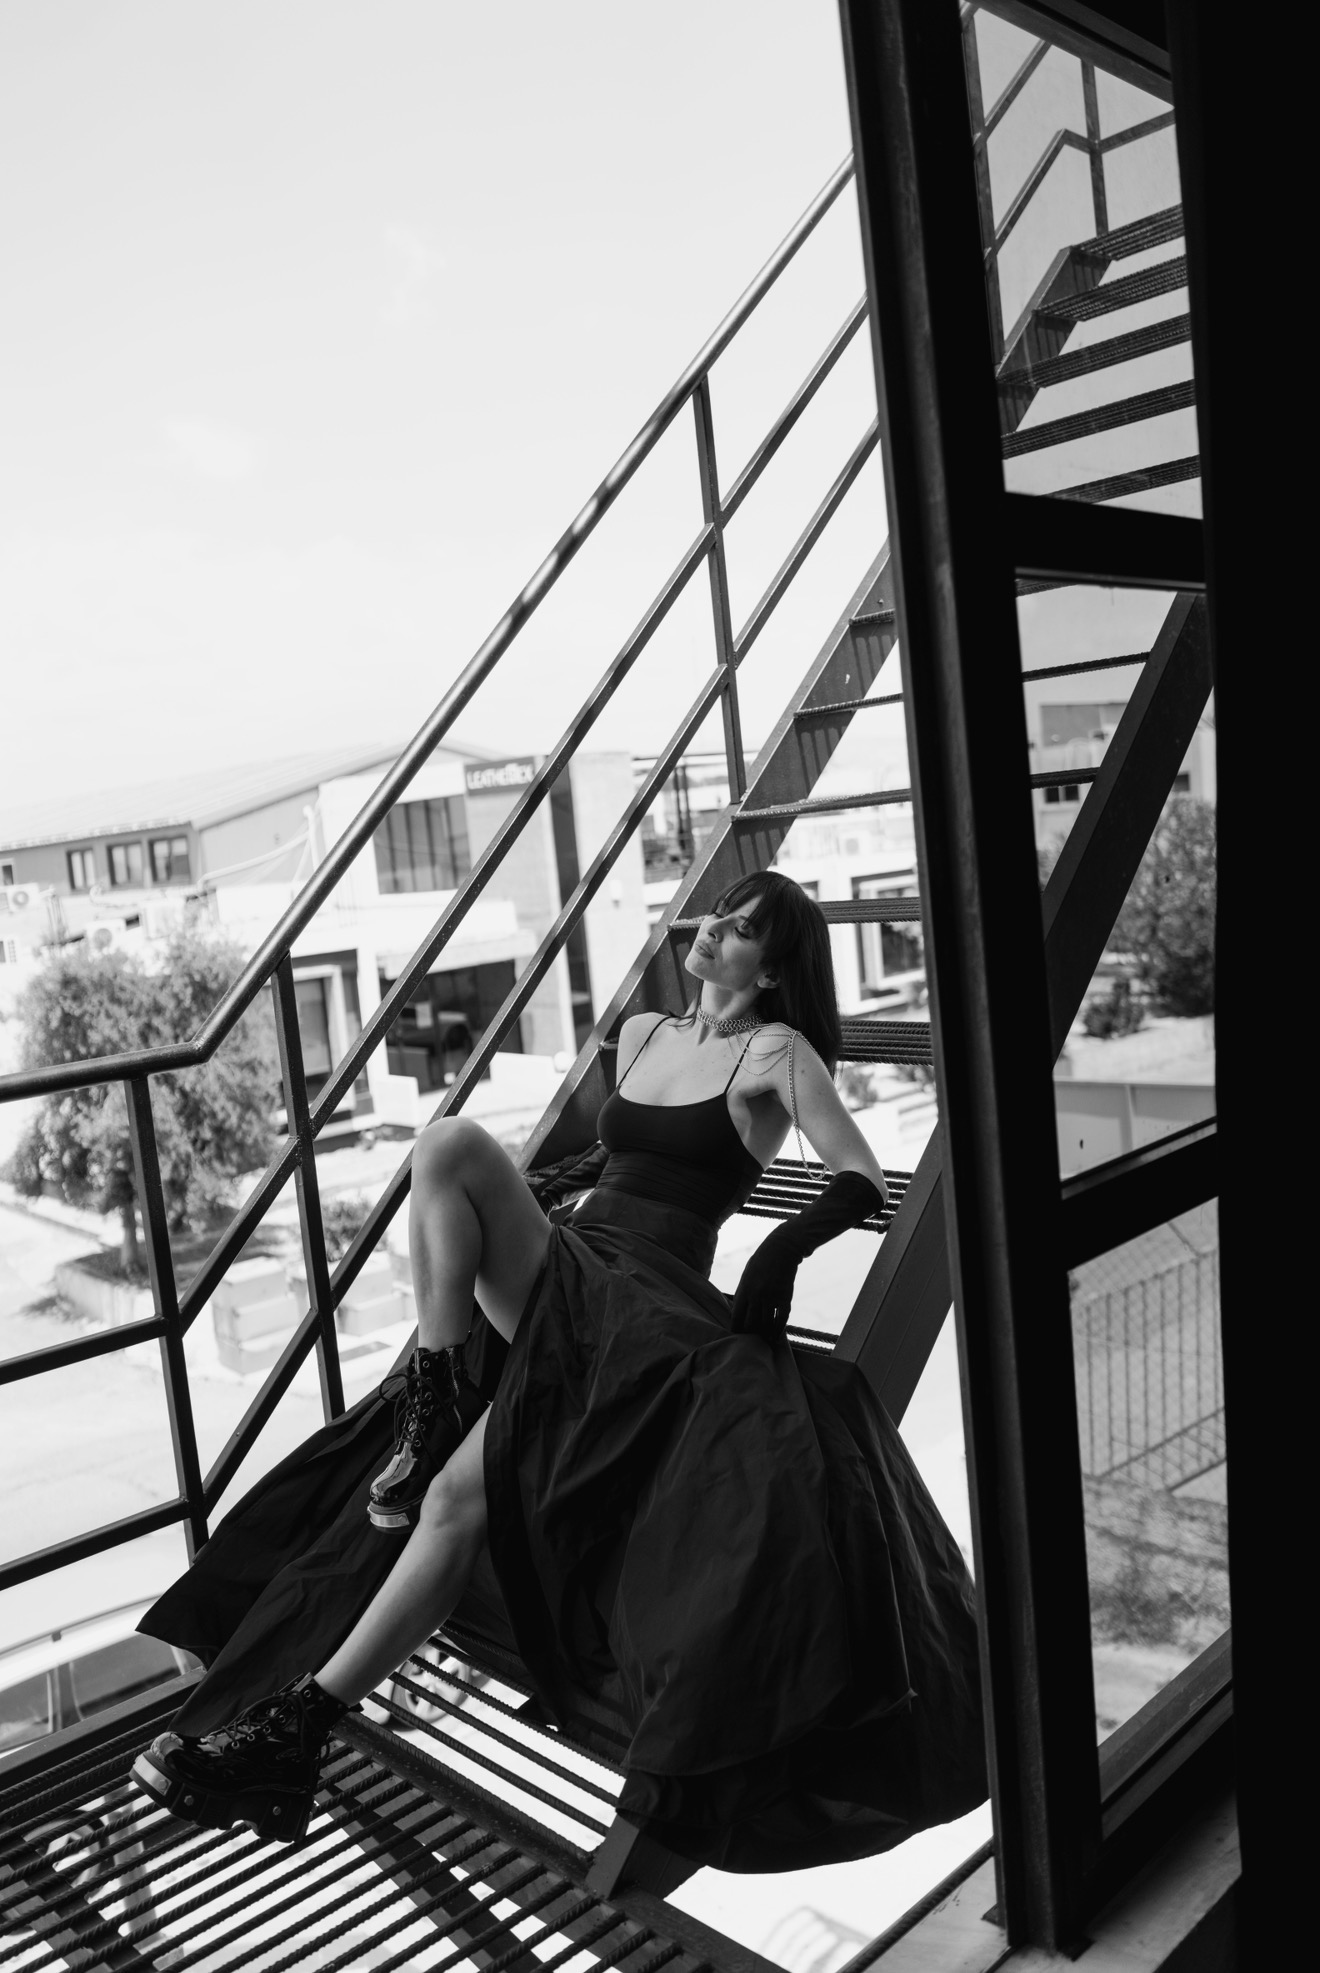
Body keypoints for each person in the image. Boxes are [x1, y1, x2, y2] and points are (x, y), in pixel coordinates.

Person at [133, 873, 985, 1869]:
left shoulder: (775, 1052)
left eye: (743, 928)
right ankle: (299, 1715)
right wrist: (541, 1200)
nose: (713, 929)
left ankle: (410, 1457)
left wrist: (780, 1250)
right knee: (449, 1437)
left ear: (773, 969)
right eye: (719, 912)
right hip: (577, 1274)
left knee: (452, 1460)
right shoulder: (641, 1033)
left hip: (646, 1311)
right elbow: (604, 1161)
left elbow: (862, 1175)